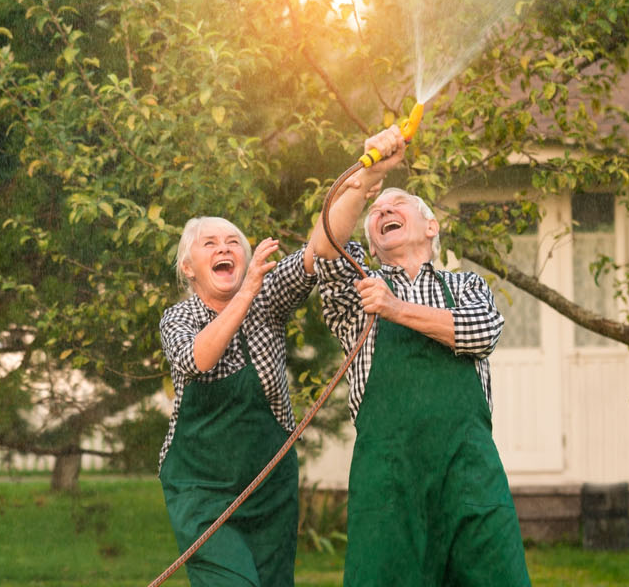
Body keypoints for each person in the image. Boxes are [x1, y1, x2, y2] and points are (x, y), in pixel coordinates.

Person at [155, 132, 400, 586]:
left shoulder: (266, 297)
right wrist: (245, 290)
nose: (224, 248)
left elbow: (321, 248)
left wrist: (368, 176)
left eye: (233, 241)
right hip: (202, 491)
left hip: (270, 488)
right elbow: (198, 360)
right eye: (210, 243)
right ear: (189, 267)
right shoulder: (180, 317)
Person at [309, 134, 531, 585]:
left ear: (431, 227)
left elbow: (482, 332)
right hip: (389, 486)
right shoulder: (359, 289)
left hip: (469, 479)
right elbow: (325, 246)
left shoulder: (466, 287)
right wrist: (369, 175)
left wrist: (395, 310)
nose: (384, 210)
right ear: (370, 242)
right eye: (376, 212)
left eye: (399, 203)